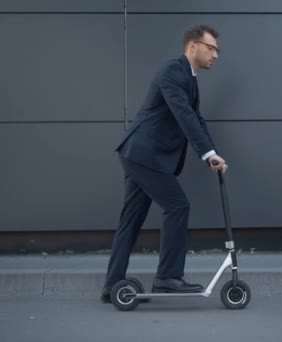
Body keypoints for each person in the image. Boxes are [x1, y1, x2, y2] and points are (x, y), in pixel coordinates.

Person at [100, 24, 227, 303]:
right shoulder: (173, 72)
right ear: (193, 46)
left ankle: (112, 286)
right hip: (145, 154)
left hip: (141, 155)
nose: (216, 54)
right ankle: (168, 278)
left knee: (130, 221)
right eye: (211, 48)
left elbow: (196, 118)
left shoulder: (189, 78)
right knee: (177, 205)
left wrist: (211, 153)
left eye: (217, 50)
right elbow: (184, 116)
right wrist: (207, 153)